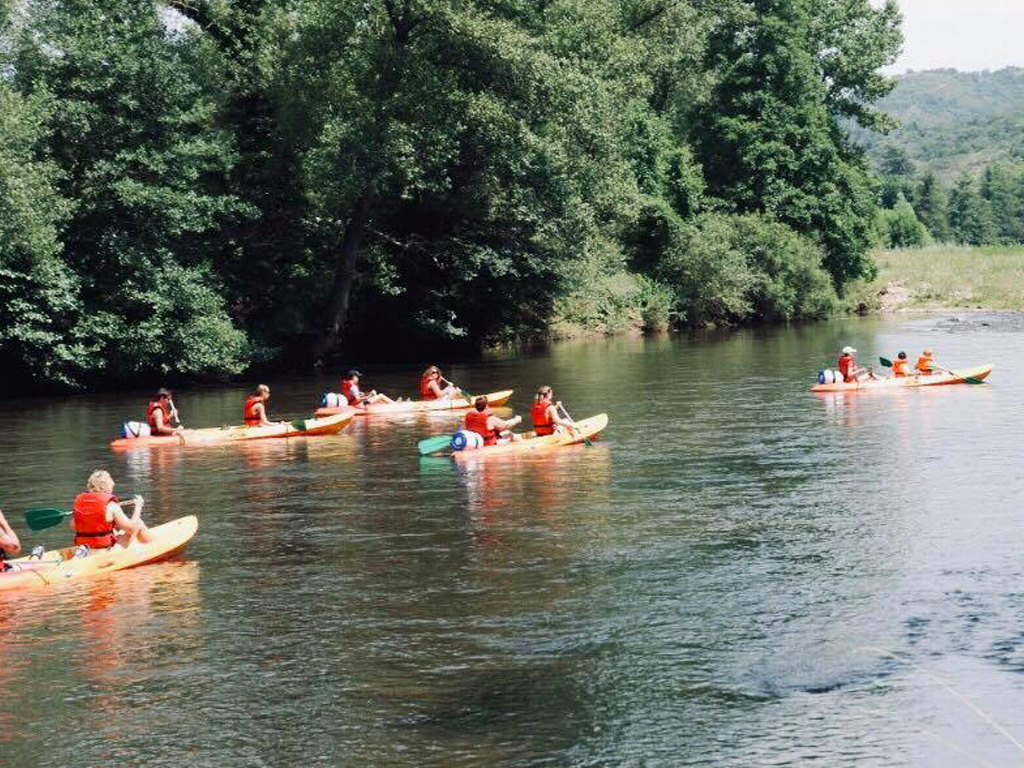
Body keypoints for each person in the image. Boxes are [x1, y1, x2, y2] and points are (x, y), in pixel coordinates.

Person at [69, 470, 152, 550]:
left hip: (85, 547)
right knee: (138, 522)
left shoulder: (81, 505)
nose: (113, 486)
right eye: (111, 484)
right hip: (106, 550)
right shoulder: (111, 506)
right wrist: (138, 507)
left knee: (113, 530)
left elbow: (73, 526)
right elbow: (131, 529)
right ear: (104, 487)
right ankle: (153, 548)